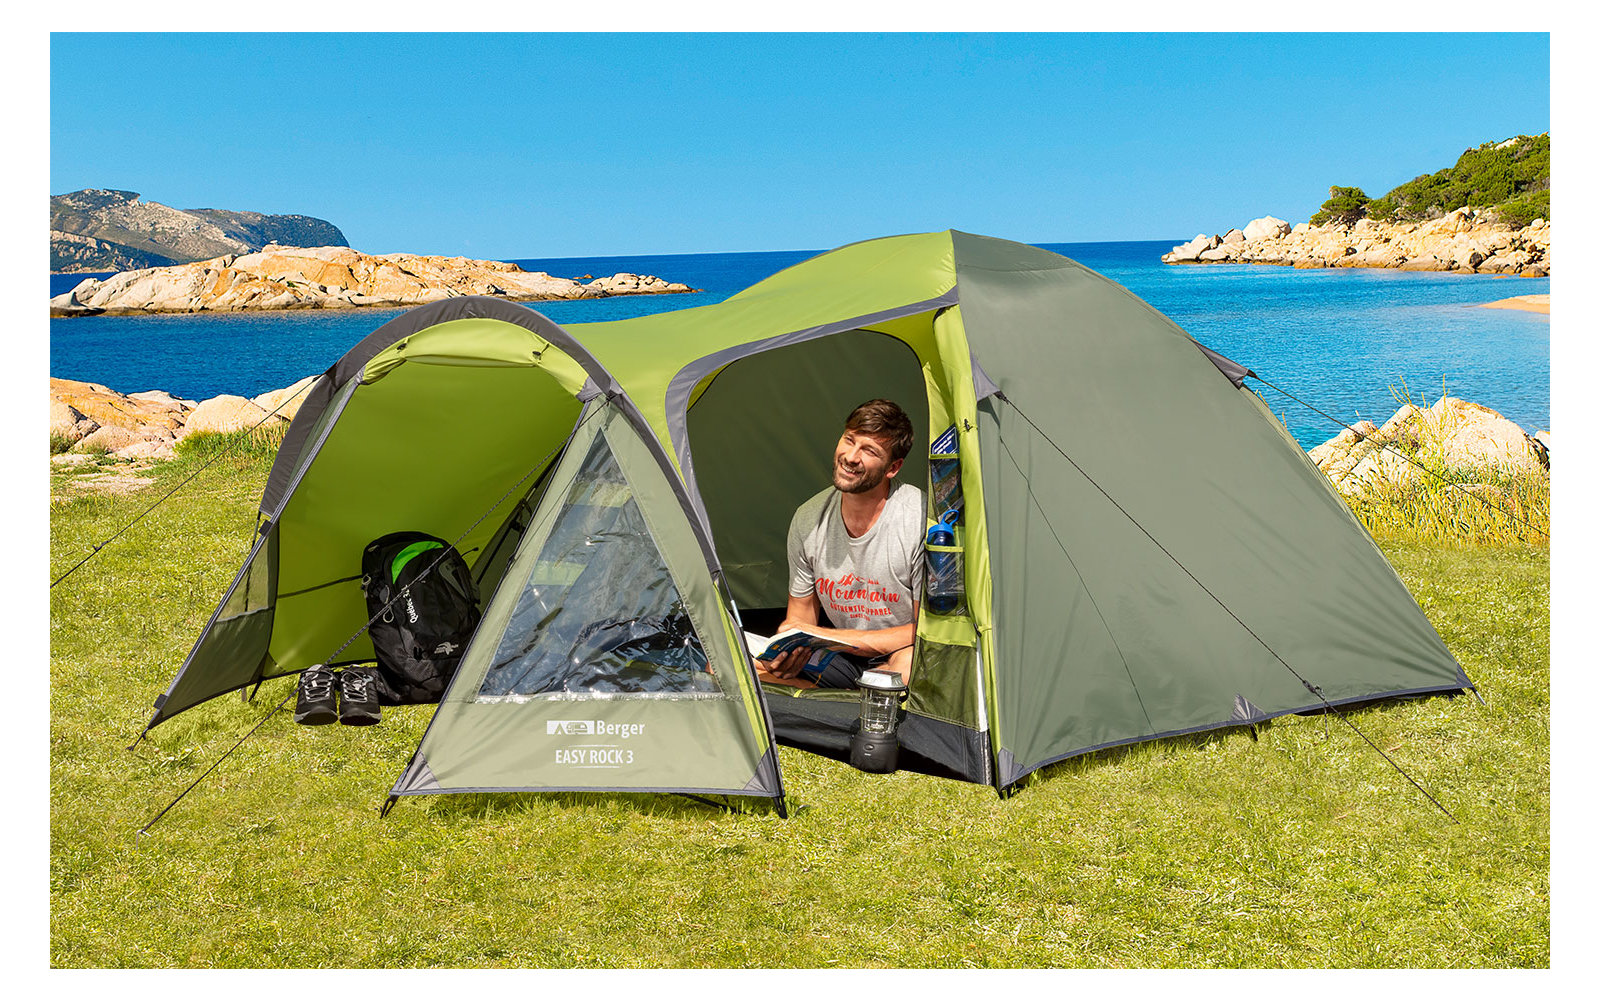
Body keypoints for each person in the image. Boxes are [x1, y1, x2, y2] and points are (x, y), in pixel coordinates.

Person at [756, 399, 923, 689]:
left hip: (902, 652)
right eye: (849, 440)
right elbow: (800, 618)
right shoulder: (808, 518)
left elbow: (928, 631)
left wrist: (843, 638)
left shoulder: (919, 521)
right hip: (840, 655)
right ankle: (835, 705)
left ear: (893, 467)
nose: (851, 457)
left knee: (903, 670)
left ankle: (843, 703)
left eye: (869, 450)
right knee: (729, 667)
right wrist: (788, 652)